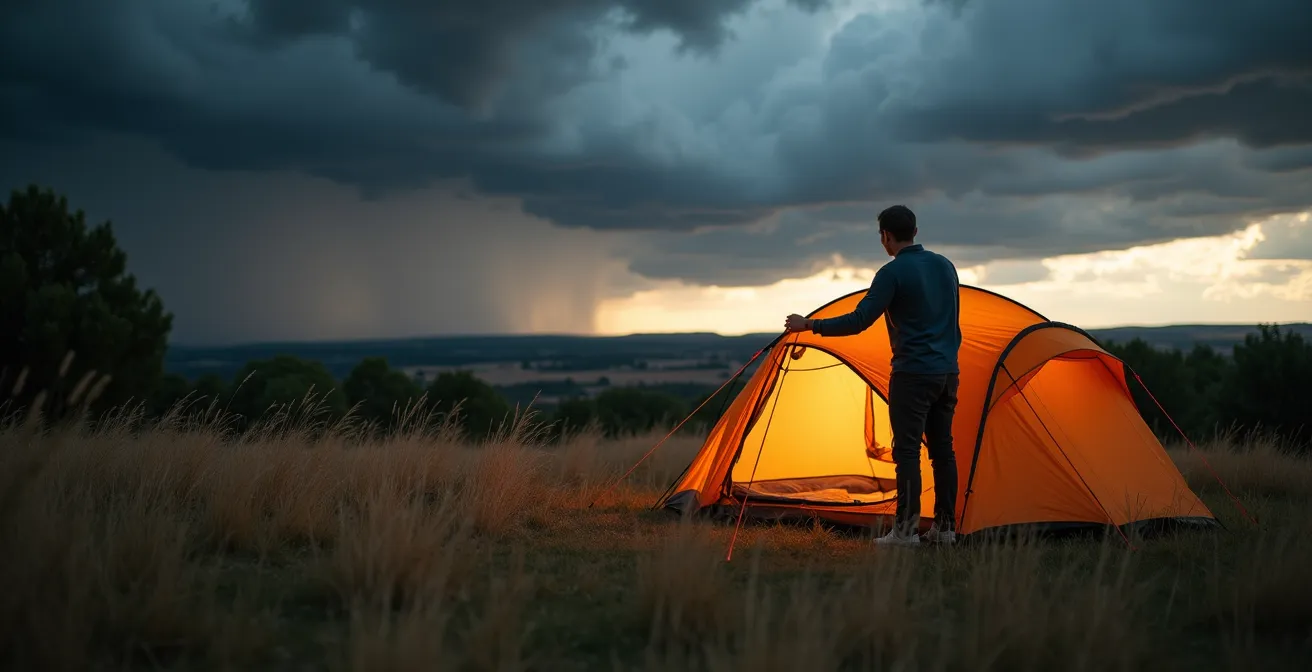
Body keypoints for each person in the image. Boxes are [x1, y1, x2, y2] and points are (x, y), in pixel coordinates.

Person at [783, 205, 962, 546]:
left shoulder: (892, 273)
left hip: (912, 374)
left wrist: (810, 326)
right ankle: (946, 529)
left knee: (907, 451)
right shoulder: (945, 266)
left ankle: (906, 533)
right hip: (948, 372)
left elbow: (859, 320)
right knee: (943, 451)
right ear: (916, 231)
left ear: (885, 236)